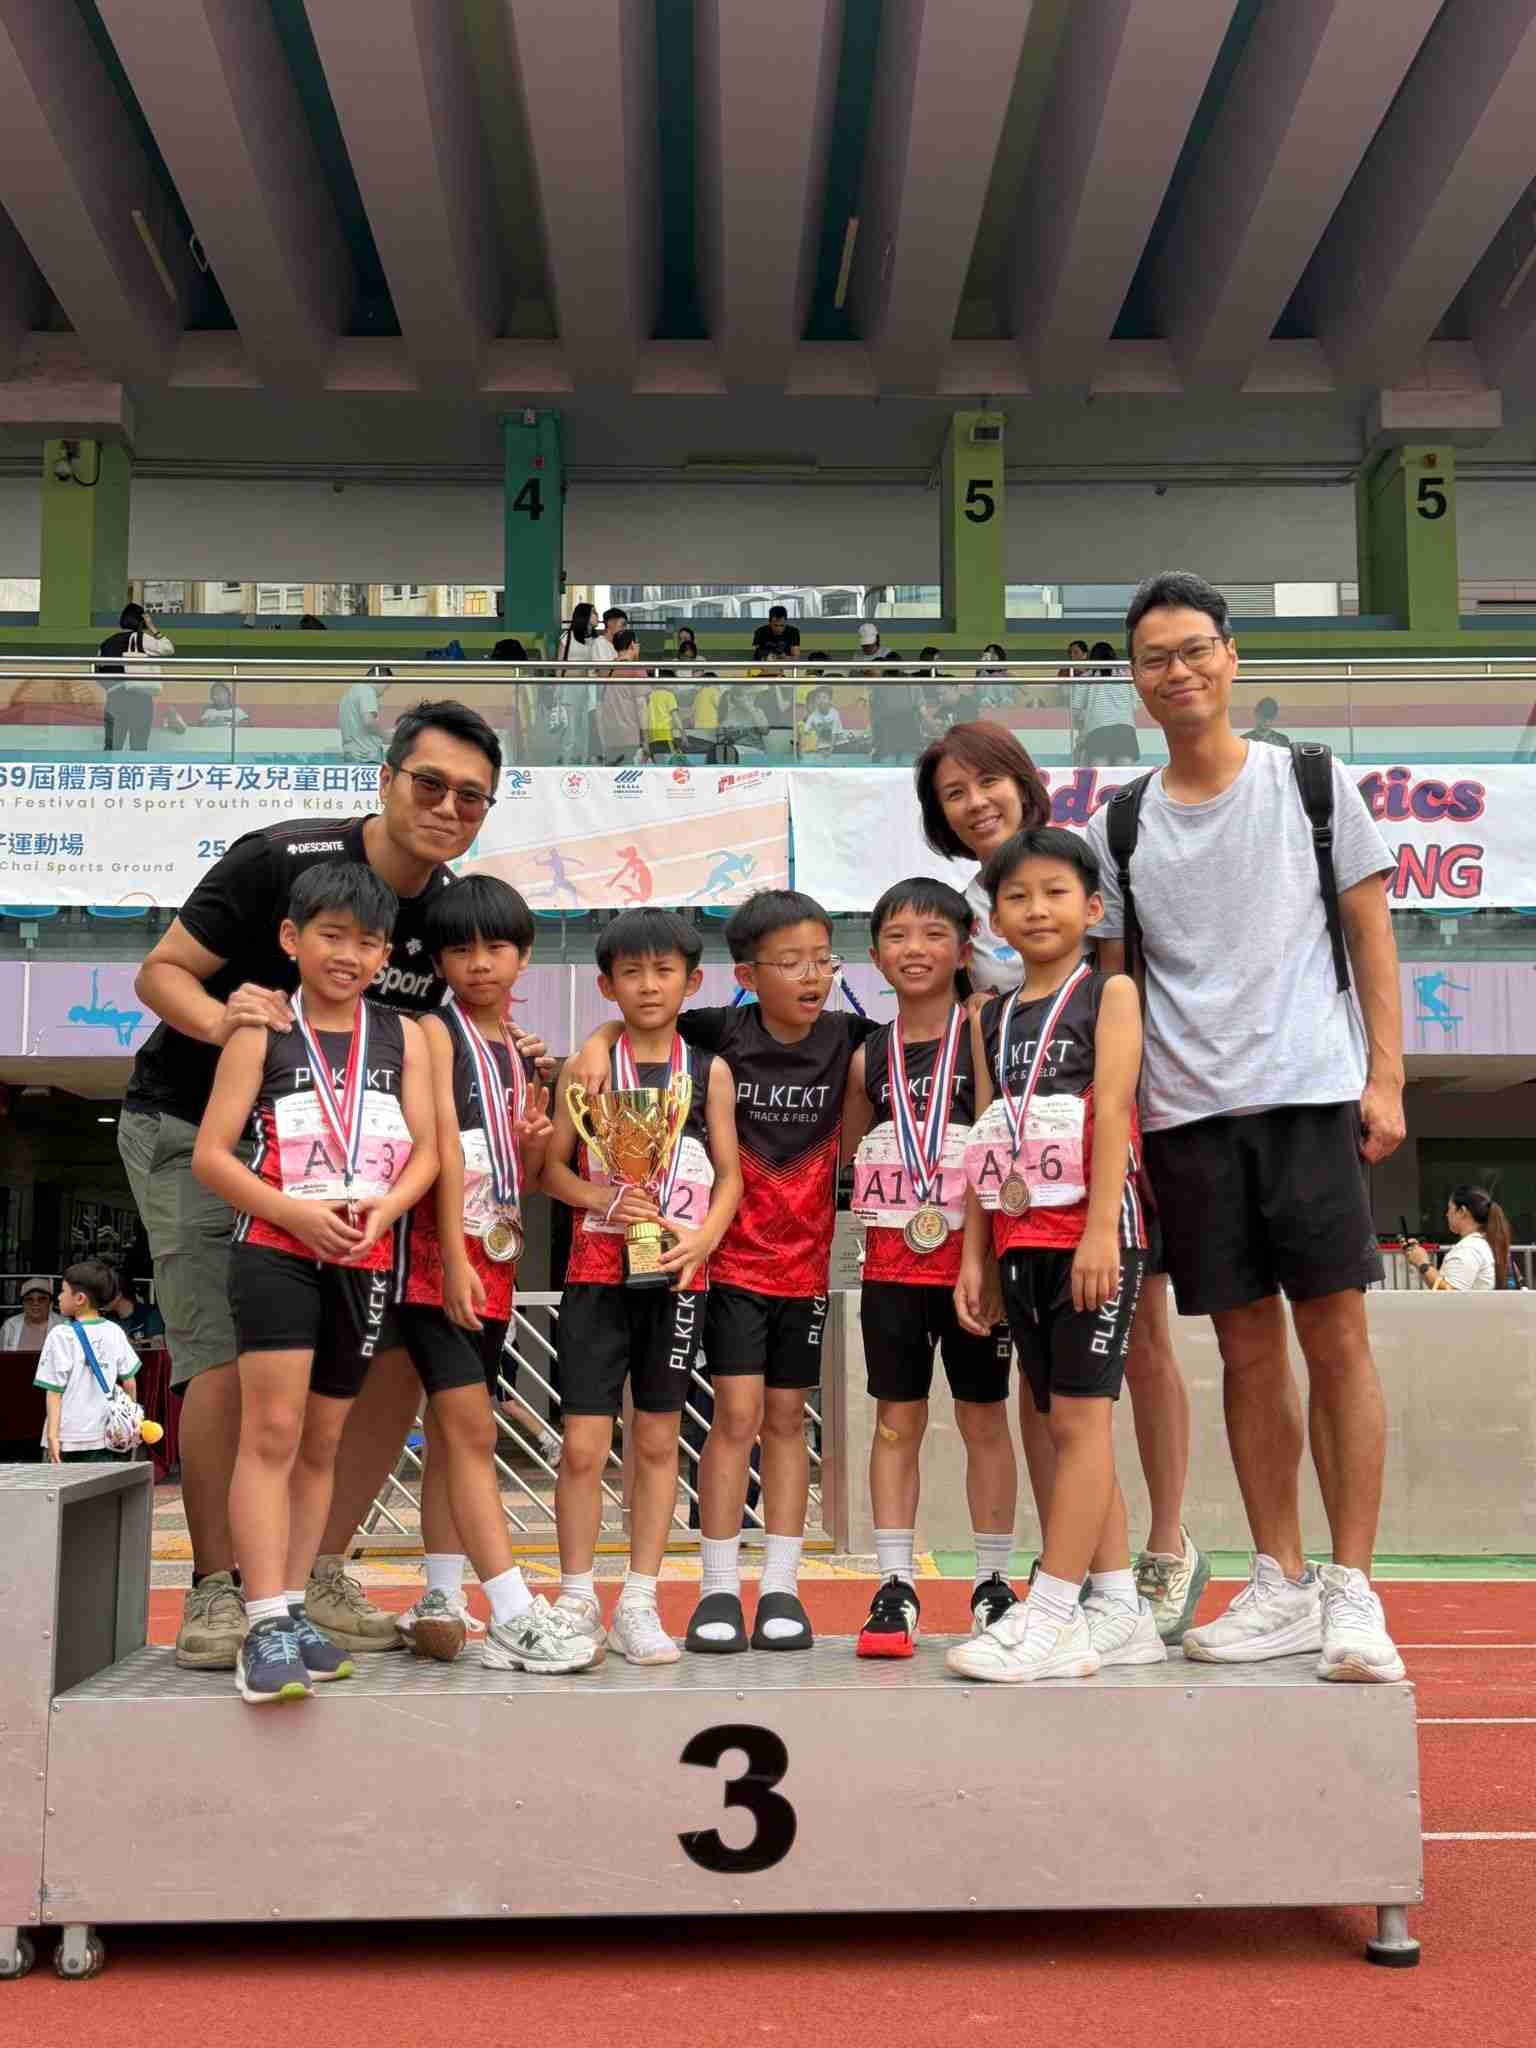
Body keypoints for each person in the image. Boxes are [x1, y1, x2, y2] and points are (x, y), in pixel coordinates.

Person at [122, 699, 516, 1672]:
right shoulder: (278, 860)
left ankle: (313, 1573)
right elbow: (161, 974)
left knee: (391, 1354)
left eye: (471, 796)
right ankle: (219, 1586)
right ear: (386, 779)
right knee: (227, 1360)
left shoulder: (445, 908)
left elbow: (444, 1029)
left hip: (358, 1172)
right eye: (430, 784)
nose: (448, 807)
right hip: (202, 1127)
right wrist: (232, 1023)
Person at [1086, 568, 1407, 1683]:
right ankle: (1281, 1578)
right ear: (1135, 681)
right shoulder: (1120, 822)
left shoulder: (1311, 782)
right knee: (1244, 1349)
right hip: (1186, 1117)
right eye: (1154, 658)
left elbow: (1370, 934)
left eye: (1194, 649)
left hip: (1310, 1096)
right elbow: (1118, 988)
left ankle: (1352, 1587)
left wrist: (1386, 1078)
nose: (1176, 671)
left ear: (1230, 657)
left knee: (1338, 1339)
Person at [915, 719, 1207, 1641]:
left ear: (1022, 781)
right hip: (1019, 1187)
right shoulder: (969, 911)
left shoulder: (1087, 870)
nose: (975, 803)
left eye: (987, 782)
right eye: (953, 794)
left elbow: (1115, 1011)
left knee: (1139, 1340)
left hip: (1110, 1154)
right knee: (1041, 1388)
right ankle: (1076, 1566)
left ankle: (1164, 1543)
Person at [569, 890, 874, 1653]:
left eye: (822, 960)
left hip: (803, 1268)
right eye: (790, 962)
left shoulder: (849, 1037)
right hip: (724, 1261)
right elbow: (641, 1016)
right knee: (734, 1418)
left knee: (787, 1418)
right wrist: (597, 1040)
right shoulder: (719, 1033)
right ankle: (715, 1588)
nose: (811, 975)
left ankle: (782, 1586)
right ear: (745, 974)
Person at [192, 863, 439, 1704]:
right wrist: (293, 1216)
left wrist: (387, 1212)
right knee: (272, 1432)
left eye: (367, 942)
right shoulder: (262, 1028)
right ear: (292, 939)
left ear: (386, 954)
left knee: (324, 1443)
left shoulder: (405, 1036)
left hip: (363, 1256)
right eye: (331, 935)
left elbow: (428, 1153)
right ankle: (262, 1621)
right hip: (277, 1247)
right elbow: (212, 1156)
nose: (349, 955)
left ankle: (293, 1607)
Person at [947, 829, 1158, 1682]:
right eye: (1017, 897)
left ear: (1093, 907)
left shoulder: (1110, 993)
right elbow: (988, 1135)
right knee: (1061, 1422)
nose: (1036, 909)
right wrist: (975, 1255)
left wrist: (1102, 1228)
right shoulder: (988, 1017)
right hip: (1017, 1239)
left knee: (1079, 1423)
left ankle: (1052, 1614)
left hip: (1093, 1236)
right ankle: (1120, 1608)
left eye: (1055, 892)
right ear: (994, 919)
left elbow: (1112, 1109)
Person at [537, 910, 743, 1669]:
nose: (649, 985)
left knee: (658, 1442)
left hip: (678, 1273)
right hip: (595, 1273)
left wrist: (705, 1237)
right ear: (607, 985)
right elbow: (550, 1172)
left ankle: (640, 1601)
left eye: (664, 972)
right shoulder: (585, 1068)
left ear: (692, 982)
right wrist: (601, 1197)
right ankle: (576, 1598)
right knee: (584, 1447)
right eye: (632, 972)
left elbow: (732, 1176)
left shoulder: (707, 1071)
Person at [842, 880, 1016, 1658]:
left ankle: (993, 1581)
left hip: (974, 1267)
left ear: (964, 946)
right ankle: (894, 1583)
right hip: (892, 1268)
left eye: (934, 933)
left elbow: (1000, 1138)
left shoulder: (983, 1031)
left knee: (984, 1419)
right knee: (895, 1420)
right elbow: (852, 1158)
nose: (915, 949)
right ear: (876, 953)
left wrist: (988, 1257)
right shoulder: (867, 1056)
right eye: (898, 935)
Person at [393, 875, 556, 1665]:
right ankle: (515, 1608)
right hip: (435, 1259)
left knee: (454, 1433)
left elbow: (522, 1173)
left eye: (496, 947)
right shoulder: (432, 1032)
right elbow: (437, 1150)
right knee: (470, 1430)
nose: (480, 963)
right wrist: (455, 1259)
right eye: (460, 949)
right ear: (438, 961)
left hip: (493, 1259)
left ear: (523, 955)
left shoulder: (521, 1053)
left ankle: (441, 1592)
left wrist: (528, 1145)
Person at [35, 1262, 140, 1465]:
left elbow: (54, 1391)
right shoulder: (115, 1332)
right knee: (102, 1485)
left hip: (66, 1437)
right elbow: (130, 1382)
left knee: (62, 1485)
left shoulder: (60, 1335)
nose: (58, 1297)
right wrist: (132, 1422)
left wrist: (52, 1436)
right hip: (106, 1436)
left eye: (63, 1291)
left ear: (80, 1299)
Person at [96, 602, 175, 753]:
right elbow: (168, 648)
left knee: (112, 748)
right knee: (139, 748)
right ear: (141, 620)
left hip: (114, 698)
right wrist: (152, 627)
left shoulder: (106, 643)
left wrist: (113, 687)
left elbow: (98, 672)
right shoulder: (140, 638)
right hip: (139, 699)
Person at [1406, 1186, 1511, 1293]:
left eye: (1449, 1208)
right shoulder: (1481, 1244)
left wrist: (1423, 1263)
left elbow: (1451, 1295)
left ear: (1462, 1211)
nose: (1447, 1214)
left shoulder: (1468, 1249)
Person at [551, 602, 615, 763]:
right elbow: (559, 665)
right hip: (569, 687)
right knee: (570, 730)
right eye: (594, 612)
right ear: (584, 616)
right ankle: (566, 764)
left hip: (588, 688)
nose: (597, 615)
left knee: (585, 729)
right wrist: (557, 688)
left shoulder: (596, 639)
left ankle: (582, 763)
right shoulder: (567, 637)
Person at [1075, 642, 1140, 766]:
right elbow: (1135, 704)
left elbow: (1076, 709)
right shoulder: (1126, 675)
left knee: (1101, 771)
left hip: (1097, 727)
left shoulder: (1086, 677)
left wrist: (1082, 729)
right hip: (1125, 727)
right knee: (1125, 771)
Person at [593, 636, 650, 764]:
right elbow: (641, 707)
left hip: (609, 737)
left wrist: (602, 739)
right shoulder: (636, 669)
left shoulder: (606, 670)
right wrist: (646, 740)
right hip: (631, 737)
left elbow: (599, 708)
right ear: (632, 644)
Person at [338, 666, 393, 765]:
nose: (384, 691)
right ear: (380, 678)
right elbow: (369, 722)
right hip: (366, 756)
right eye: (386, 686)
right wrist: (386, 736)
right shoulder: (367, 691)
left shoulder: (349, 694)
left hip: (351, 754)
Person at [2, 1276, 62, 1352]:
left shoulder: (63, 1325)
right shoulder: (9, 1326)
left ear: (50, 1303)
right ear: (23, 1303)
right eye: (29, 1299)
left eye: (41, 1299)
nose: (35, 1303)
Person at [105, 1275, 165, 1346]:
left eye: (102, 1293)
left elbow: (158, 1345)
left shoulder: (150, 1314)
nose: (98, 1298)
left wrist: (132, 1343)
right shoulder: (107, 1320)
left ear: (118, 1295)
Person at [646, 665, 684, 760]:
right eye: (674, 682)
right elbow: (675, 717)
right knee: (672, 761)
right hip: (665, 735)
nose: (675, 686)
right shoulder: (669, 695)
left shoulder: (649, 696)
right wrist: (683, 734)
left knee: (659, 762)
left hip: (652, 737)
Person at [798, 684, 847, 755]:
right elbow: (800, 744)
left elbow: (833, 737)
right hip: (808, 756)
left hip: (826, 753)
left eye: (824, 698)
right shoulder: (801, 725)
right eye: (811, 703)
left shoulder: (831, 717)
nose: (815, 705)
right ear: (806, 705)